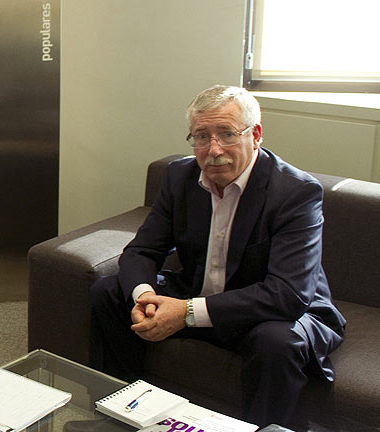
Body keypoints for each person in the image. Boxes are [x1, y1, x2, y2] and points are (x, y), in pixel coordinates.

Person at [89, 85, 346, 427]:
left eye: (227, 134)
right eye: (201, 136)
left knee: (276, 342)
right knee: (109, 292)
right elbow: (141, 250)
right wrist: (146, 298)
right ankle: (122, 415)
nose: (213, 150)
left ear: (255, 135)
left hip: (268, 310)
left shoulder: (296, 192)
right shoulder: (179, 177)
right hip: (199, 292)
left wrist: (186, 313)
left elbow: (287, 294)